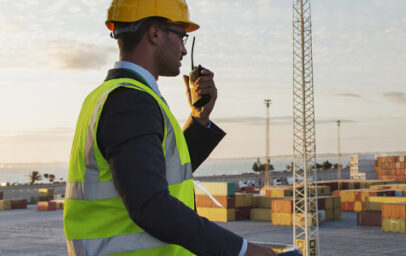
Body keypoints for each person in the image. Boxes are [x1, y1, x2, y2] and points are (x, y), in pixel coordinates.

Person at [64, 0, 275, 255]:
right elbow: (151, 204)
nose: (184, 51)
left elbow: (155, 173)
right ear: (154, 33)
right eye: (181, 36)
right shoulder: (131, 101)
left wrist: (199, 119)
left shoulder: (110, 96)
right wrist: (241, 250)